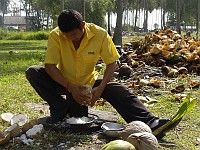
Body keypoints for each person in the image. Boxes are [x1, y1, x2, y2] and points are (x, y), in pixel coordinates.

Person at [26, 9, 181, 139]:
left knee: (116, 89)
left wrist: (98, 90)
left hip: (88, 83)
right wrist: (70, 87)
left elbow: (111, 63)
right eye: (66, 35)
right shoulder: (57, 35)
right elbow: (50, 66)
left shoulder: (99, 34)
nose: (70, 38)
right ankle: (59, 107)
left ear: (82, 26)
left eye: (73, 34)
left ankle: (150, 122)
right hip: (62, 81)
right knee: (33, 72)